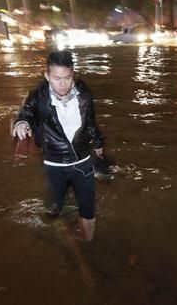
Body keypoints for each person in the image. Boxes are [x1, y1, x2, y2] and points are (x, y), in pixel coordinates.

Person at [13, 50, 104, 241]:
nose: (62, 84)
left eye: (67, 78)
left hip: (83, 163)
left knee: (88, 212)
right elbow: (26, 113)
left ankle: (90, 247)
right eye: (56, 78)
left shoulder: (83, 92)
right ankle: (57, 235)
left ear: (73, 74)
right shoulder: (38, 96)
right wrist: (22, 123)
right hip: (55, 166)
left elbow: (91, 122)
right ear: (47, 76)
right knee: (53, 211)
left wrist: (98, 145)